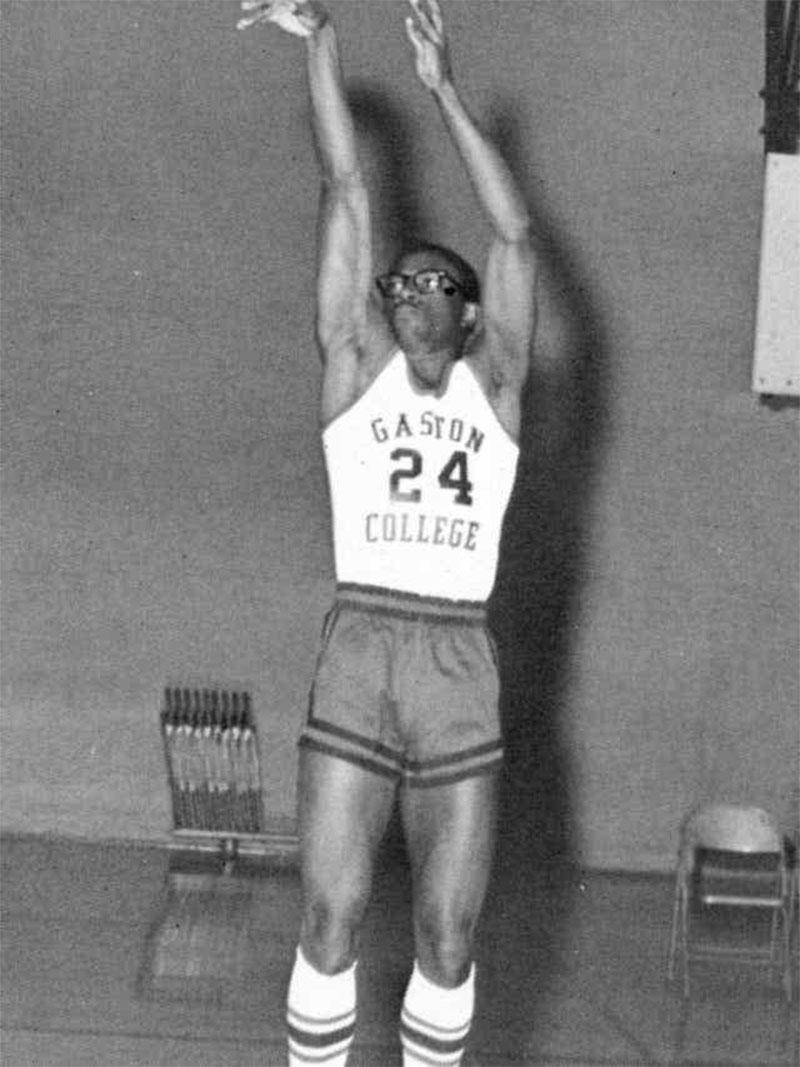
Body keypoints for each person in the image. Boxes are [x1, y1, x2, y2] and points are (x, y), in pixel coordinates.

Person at [238, 1, 537, 1063]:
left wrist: (443, 91)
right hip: (361, 646)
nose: (411, 289)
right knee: (328, 915)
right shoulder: (353, 367)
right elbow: (346, 184)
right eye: (398, 280)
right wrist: (322, 44)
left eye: (434, 282)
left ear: (470, 316)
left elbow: (513, 233)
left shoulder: (497, 387)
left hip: (457, 656)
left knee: (447, 937)